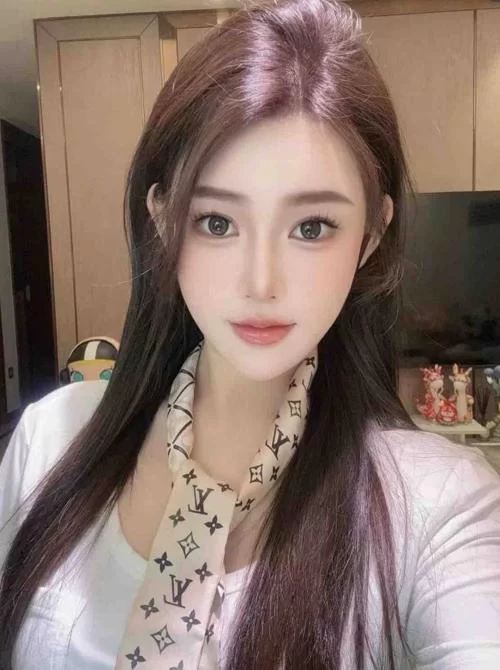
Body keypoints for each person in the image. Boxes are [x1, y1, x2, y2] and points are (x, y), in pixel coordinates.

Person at [1, 0, 500, 668]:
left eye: (312, 227)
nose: (260, 282)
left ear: (372, 234)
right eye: (216, 222)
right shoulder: (50, 441)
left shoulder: (434, 506)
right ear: (163, 219)